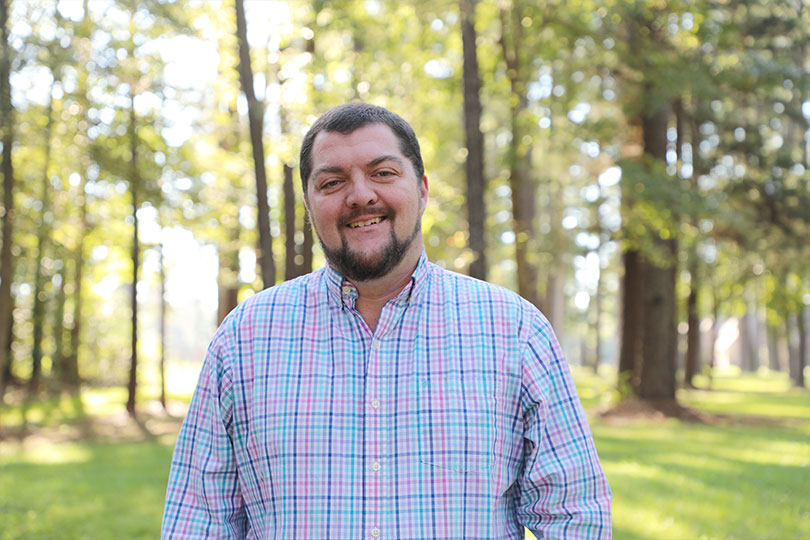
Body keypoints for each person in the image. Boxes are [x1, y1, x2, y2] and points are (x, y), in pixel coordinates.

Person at [162, 103, 611, 539]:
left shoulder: (514, 331)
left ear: (422, 188)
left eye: (383, 173)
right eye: (333, 181)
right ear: (309, 204)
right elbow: (197, 522)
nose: (360, 195)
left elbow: (575, 517)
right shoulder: (243, 340)